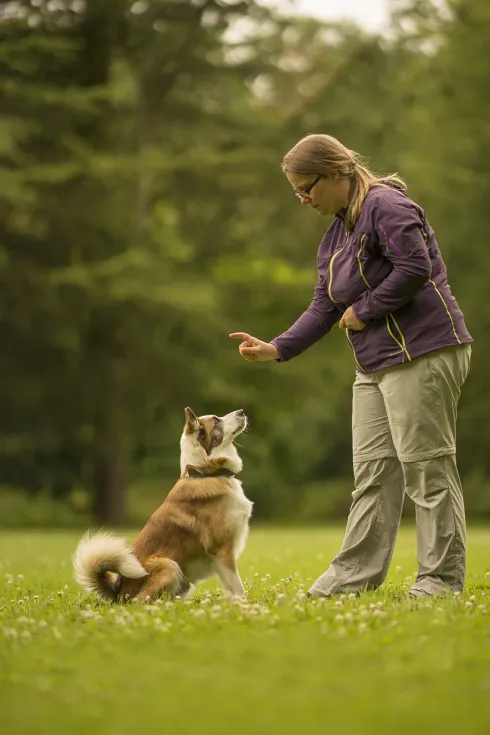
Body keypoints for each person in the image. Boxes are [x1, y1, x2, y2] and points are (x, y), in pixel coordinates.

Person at [229, 133, 472, 599]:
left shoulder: (387, 206)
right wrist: (276, 347)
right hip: (375, 365)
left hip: (424, 351)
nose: (303, 199)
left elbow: (415, 267)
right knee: (373, 475)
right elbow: (323, 307)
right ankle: (351, 579)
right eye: (296, 191)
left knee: (427, 468)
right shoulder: (335, 236)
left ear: (337, 172)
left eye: (307, 188)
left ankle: (440, 581)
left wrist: (366, 309)